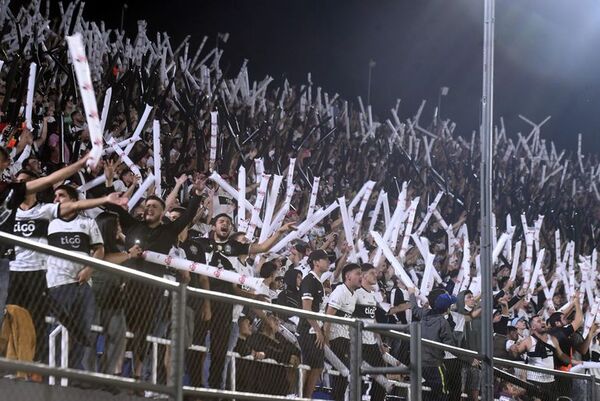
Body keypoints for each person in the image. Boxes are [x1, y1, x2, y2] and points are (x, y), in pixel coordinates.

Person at [187, 212, 296, 390]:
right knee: (197, 348)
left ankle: (213, 390)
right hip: (200, 298)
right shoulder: (201, 243)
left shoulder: (233, 248)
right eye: (221, 221)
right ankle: (195, 387)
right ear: (213, 225)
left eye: (229, 222)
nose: (225, 224)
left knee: (219, 352)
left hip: (225, 304)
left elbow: (261, 247)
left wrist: (280, 232)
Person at [0, 151, 92, 329]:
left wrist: (81, 163)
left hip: (18, 267)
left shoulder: (11, 191)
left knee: (16, 320)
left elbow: (50, 181)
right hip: (14, 268)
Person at [45, 184, 107, 370]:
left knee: (81, 331)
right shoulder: (49, 221)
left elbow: (99, 250)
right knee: (56, 329)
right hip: (56, 283)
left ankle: (73, 372)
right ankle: (53, 371)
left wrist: (89, 269)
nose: (56, 199)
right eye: (55, 196)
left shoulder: (88, 222)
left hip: (83, 285)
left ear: (73, 200)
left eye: (61, 195)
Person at [94, 211, 143, 375]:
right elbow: (103, 259)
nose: (119, 228)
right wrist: (128, 254)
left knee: (117, 337)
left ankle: (111, 375)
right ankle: (89, 375)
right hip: (94, 298)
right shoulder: (93, 245)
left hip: (114, 299)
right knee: (91, 338)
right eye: (116, 225)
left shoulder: (119, 249)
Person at [510, 315, 579, 401]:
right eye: (539, 321)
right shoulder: (528, 341)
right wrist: (513, 348)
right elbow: (515, 354)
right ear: (533, 327)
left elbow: (561, 355)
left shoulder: (553, 339)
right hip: (534, 381)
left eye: (543, 320)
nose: (543, 322)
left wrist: (575, 362)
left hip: (550, 382)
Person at [409, 286, 456, 401]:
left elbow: (414, 308)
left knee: (425, 395)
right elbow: (452, 347)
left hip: (419, 365)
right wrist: (470, 359)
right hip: (435, 365)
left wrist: (411, 294)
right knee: (442, 394)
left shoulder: (424, 314)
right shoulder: (443, 322)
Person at [324, 262, 361, 401]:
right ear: (348, 276)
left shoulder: (354, 295)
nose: (360, 277)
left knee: (347, 373)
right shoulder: (340, 291)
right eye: (357, 273)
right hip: (335, 338)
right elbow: (328, 316)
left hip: (345, 338)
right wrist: (326, 339)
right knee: (345, 372)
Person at [298, 249, 330, 398]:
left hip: (316, 331)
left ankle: (307, 397)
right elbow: (306, 308)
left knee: (317, 367)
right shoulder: (309, 280)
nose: (328, 262)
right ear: (316, 262)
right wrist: (318, 329)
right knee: (307, 366)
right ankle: (299, 396)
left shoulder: (318, 282)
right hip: (308, 331)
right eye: (325, 259)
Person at [355, 263, 388, 401]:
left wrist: (380, 343)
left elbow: (373, 321)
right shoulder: (356, 293)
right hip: (359, 342)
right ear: (363, 275)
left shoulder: (372, 296)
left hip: (372, 343)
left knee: (381, 378)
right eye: (372, 273)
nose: (376, 275)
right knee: (362, 378)